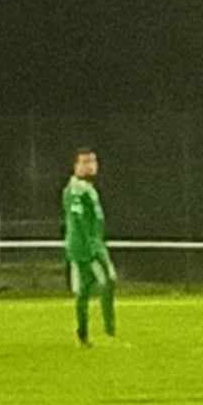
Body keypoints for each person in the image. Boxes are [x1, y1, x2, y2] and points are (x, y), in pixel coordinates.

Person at [62, 148, 116, 346]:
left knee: (88, 288)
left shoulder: (86, 187)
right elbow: (78, 221)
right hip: (85, 247)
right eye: (85, 162)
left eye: (93, 161)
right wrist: (91, 247)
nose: (90, 165)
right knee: (106, 280)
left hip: (93, 244)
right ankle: (107, 332)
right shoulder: (76, 189)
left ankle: (85, 335)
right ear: (76, 166)